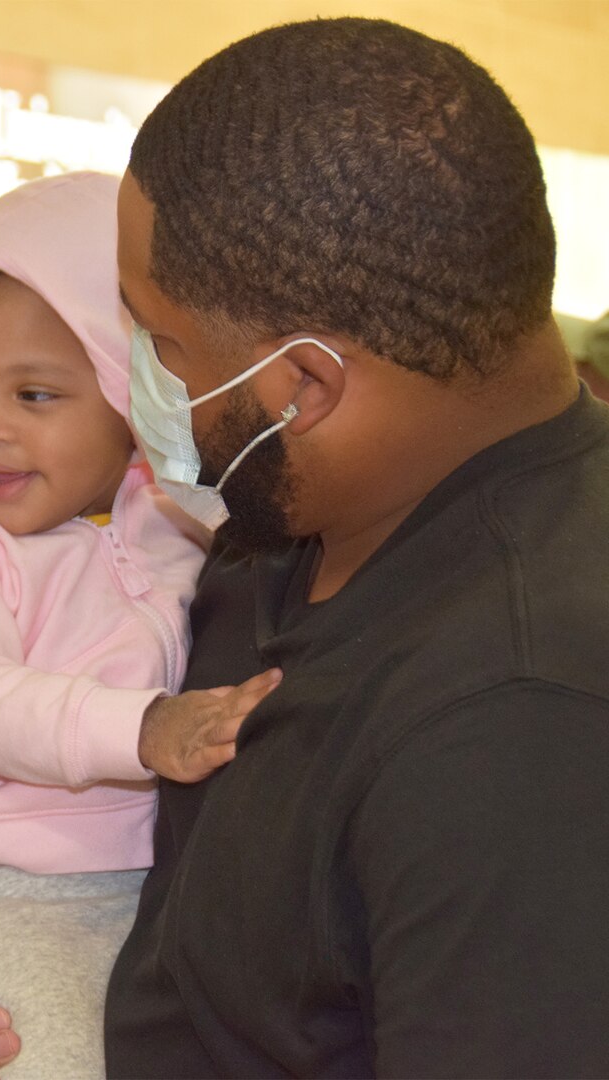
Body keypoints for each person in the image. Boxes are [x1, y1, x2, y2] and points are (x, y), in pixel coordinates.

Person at [100, 17, 609, 1076]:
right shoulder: (283, 518)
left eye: (161, 343)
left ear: (305, 387)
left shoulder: (517, 722)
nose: (138, 377)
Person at [0, 171, 277, 1077]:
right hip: (9, 894)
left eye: (36, 396)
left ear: (126, 389)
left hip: (165, 886)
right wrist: (142, 729)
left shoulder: (168, 508)